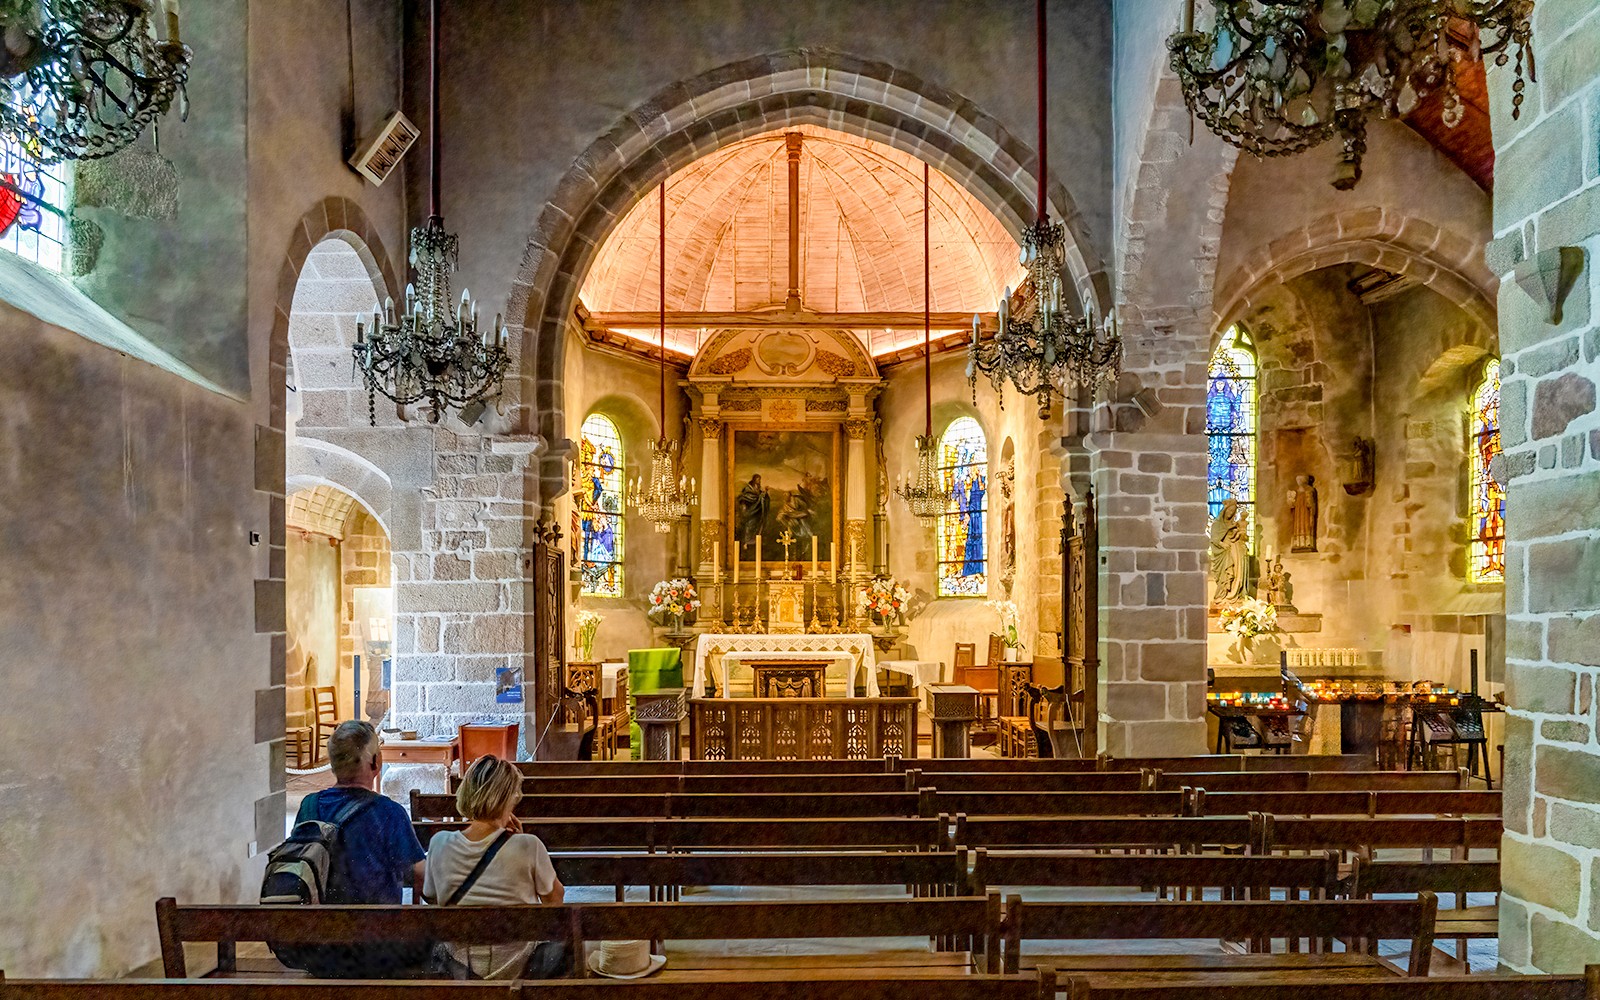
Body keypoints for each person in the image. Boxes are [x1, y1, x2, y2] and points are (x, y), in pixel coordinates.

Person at [292, 720, 428, 976]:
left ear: (332, 764)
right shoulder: (388, 812)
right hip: (375, 950)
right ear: (375, 762)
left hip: (320, 951)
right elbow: (422, 876)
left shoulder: (309, 806)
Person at [424, 756, 570, 979]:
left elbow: (432, 898)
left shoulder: (439, 843)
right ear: (509, 799)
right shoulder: (529, 845)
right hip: (520, 964)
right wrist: (520, 843)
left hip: (460, 966)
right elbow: (555, 902)